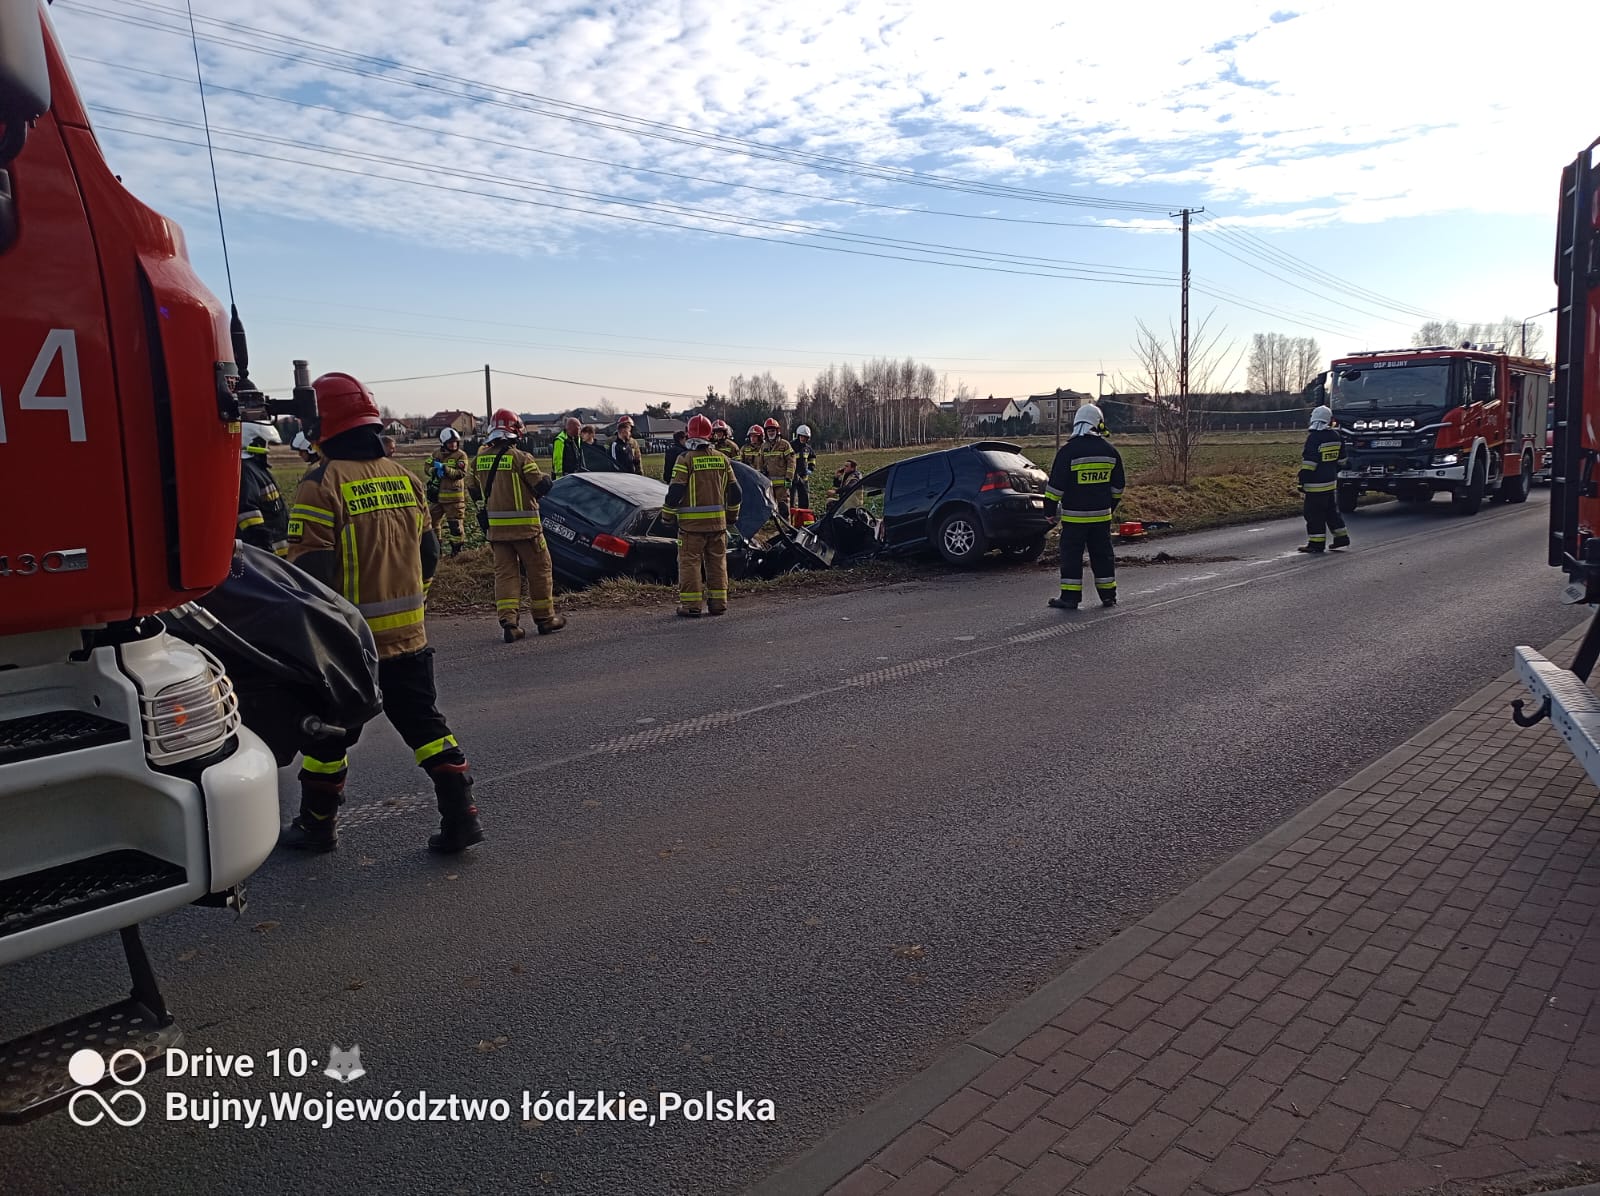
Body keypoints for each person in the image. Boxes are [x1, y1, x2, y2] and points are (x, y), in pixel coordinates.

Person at [281, 371, 483, 855]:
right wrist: (415, 604)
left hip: (346, 646)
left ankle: (318, 826)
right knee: (427, 729)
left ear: (321, 426)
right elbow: (429, 555)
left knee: (328, 739)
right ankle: (462, 820)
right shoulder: (405, 478)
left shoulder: (321, 484)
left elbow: (310, 576)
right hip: (409, 639)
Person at [470, 409, 567, 642]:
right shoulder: (521, 457)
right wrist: (547, 479)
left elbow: (473, 490)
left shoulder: (478, 460)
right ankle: (545, 618)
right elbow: (541, 486)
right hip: (527, 530)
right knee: (540, 570)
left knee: (505, 575)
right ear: (514, 432)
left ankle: (509, 623)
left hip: (496, 532)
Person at [1045, 403, 1125, 610]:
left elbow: (1055, 487)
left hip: (1074, 519)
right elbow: (1118, 487)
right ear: (1098, 423)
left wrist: (1049, 511)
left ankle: (1070, 598)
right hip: (1101, 518)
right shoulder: (1110, 452)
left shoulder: (1068, 452)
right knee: (1103, 555)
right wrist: (1109, 507)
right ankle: (1108, 596)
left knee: (1071, 557)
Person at [662, 414, 742, 618]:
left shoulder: (685, 459)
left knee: (690, 563)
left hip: (691, 527)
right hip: (718, 525)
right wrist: (732, 516)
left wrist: (666, 516)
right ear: (710, 435)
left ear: (689, 435)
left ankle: (691, 606)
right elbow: (735, 492)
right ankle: (719, 604)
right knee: (717, 563)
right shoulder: (722, 459)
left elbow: (675, 491)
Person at [1298, 405, 1351, 554]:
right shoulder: (1336, 436)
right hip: (1330, 483)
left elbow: (1310, 463)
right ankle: (1341, 538)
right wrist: (1332, 471)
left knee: (1313, 514)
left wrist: (1302, 480)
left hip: (1315, 486)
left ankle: (1316, 544)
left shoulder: (1314, 438)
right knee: (1331, 512)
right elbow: (1342, 461)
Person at [237, 421, 289, 556]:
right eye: (264, 443)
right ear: (253, 443)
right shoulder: (246, 471)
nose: (267, 448)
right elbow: (248, 514)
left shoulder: (256, 468)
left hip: (275, 555)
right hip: (266, 556)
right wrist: (264, 549)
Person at [427, 427, 471, 557]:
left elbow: (460, 473)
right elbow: (427, 466)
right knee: (431, 523)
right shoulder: (436, 454)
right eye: (450, 443)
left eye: (455, 442)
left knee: (455, 526)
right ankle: (437, 550)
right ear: (443, 443)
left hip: (454, 500)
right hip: (437, 498)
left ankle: (456, 553)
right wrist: (434, 471)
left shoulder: (461, 455)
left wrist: (445, 469)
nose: (453, 445)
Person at [759, 417, 796, 520]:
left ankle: (786, 527)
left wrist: (789, 478)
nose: (771, 433)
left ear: (777, 431)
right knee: (772, 509)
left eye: (772, 430)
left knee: (783, 508)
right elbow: (760, 462)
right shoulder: (763, 446)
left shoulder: (784, 445)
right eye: (769, 431)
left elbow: (791, 462)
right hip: (768, 483)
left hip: (782, 484)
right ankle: (776, 527)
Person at [791, 424, 817, 511]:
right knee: (791, 499)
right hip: (793, 477)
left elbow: (812, 458)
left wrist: (810, 468)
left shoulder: (808, 448)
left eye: (805, 437)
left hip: (804, 477)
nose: (803, 439)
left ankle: (803, 515)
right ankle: (791, 516)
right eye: (802, 436)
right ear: (798, 436)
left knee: (804, 499)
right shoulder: (791, 446)